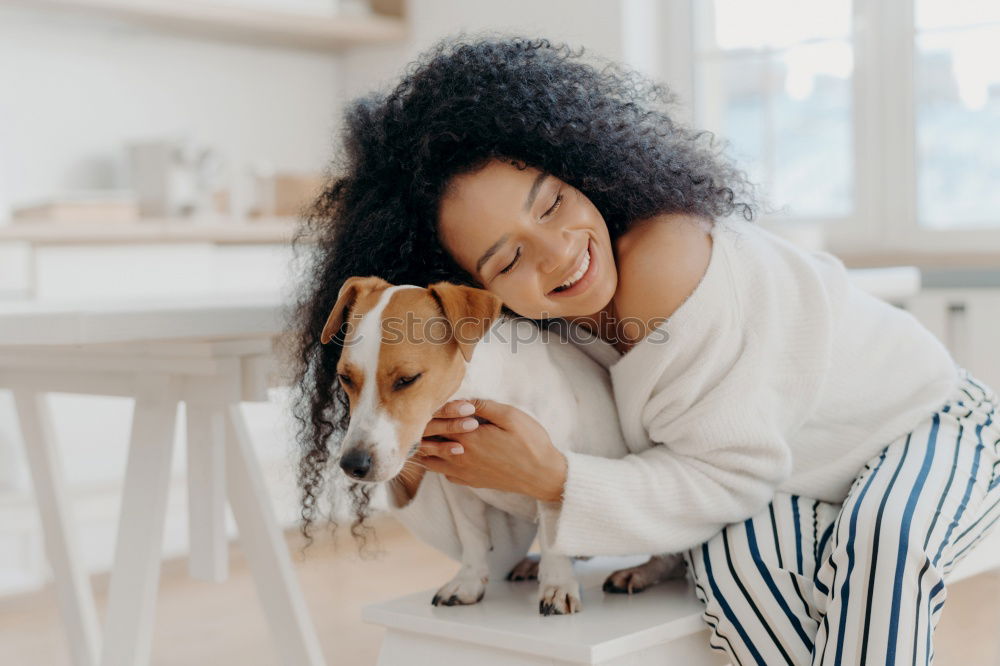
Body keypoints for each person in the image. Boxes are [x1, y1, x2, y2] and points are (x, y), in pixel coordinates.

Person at [288, 36, 1000, 665]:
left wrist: (555, 477)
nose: (559, 252)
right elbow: (491, 544)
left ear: (580, 162)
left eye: (553, 202)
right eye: (507, 261)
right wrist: (413, 451)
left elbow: (726, 476)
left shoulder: (666, 256)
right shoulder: (516, 338)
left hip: (931, 425)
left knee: (881, 542)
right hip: (792, 475)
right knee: (736, 570)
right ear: (473, 293)